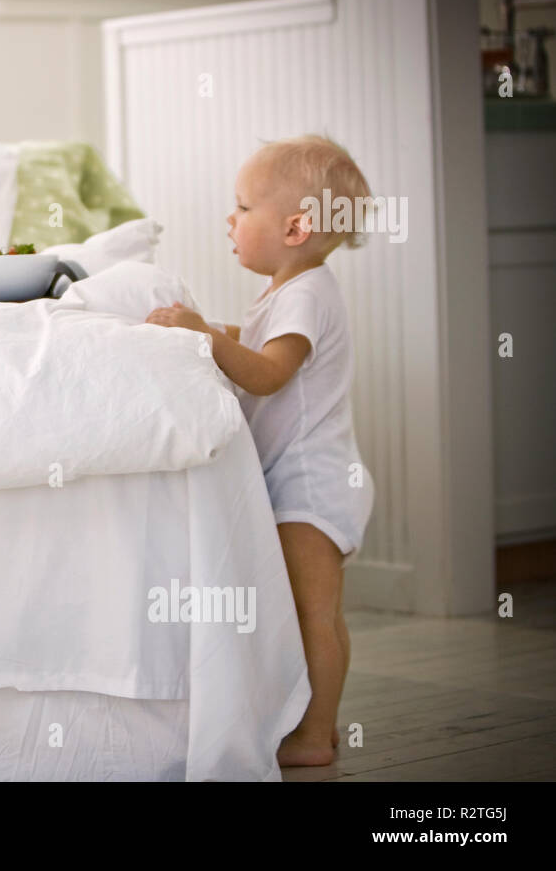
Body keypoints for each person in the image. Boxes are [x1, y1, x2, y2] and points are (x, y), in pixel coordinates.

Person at [145, 134, 375, 768]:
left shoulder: (304, 292)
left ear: (297, 226)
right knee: (309, 611)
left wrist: (205, 339)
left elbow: (271, 371)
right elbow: (261, 340)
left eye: (243, 208)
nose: (231, 218)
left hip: (312, 485)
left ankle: (317, 731)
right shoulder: (289, 289)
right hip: (299, 480)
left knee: (313, 613)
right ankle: (315, 726)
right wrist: (215, 328)